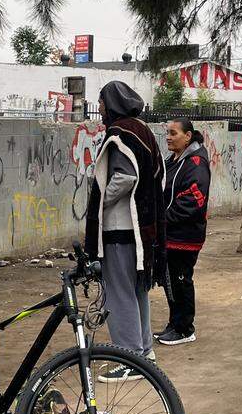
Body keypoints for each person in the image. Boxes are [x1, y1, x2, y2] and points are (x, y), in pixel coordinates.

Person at [85, 81, 167, 383]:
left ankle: (129, 356)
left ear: (113, 103)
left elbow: (125, 176)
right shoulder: (142, 130)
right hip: (139, 231)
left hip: (120, 228)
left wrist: (99, 202)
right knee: (136, 291)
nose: (101, 107)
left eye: (102, 101)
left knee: (118, 294)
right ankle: (144, 350)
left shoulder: (120, 133)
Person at [154, 119, 210, 347]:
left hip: (185, 235)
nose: (168, 137)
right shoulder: (174, 160)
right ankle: (174, 323)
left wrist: (164, 219)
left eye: (173, 133)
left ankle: (185, 328)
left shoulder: (196, 162)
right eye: (167, 132)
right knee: (170, 280)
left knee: (181, 280)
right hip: (171, 235)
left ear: (188, 136)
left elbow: (194, 198)